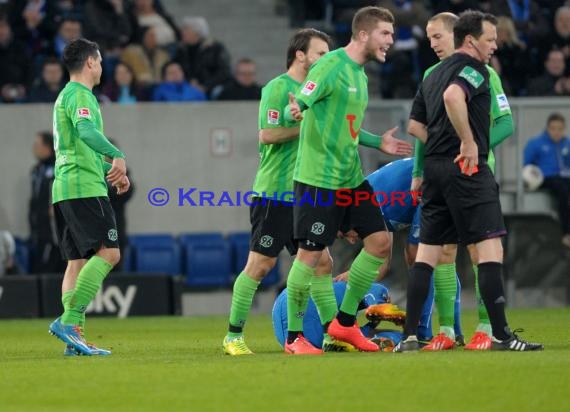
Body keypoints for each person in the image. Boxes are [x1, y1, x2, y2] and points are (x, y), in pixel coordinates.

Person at [398, 10, 542, 352]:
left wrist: (439, 148)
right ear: (471, 39)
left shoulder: (431, 76)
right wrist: (467, 142)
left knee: (428, 255)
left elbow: (415, 127)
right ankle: (501, 335)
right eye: (490, 39)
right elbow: (453, 97)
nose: (495, 45)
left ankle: (409, 336)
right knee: (489, 249)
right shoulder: (476, 70)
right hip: (467, 171)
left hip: (436, 171)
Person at [286, 6, 412, 354]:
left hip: (351, 179)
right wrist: (294, 109)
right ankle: (294, 337)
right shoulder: (330, 65)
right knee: (310, 257)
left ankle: (343, 323)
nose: (391, 40)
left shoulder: (361, 75)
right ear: (363, 34)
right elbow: (301, 101)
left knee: (379, 244)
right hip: (318, 179)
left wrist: (378, 142)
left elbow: (347, 128)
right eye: (385, 33)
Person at [222, 28, 334, 356]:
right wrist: (307, 126)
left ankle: (333, 334)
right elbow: (267, 134)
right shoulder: (277, 88)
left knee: (322, 263)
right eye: (320, 53)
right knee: (260, 265)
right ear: (301, 54)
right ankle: (232, 336)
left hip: (307, 194)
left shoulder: (318, 92)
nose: (325, 60)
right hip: (275, 194)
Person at [48, 37, 130, 357]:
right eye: (100, 60)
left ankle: (74, 340)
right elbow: (85, 131)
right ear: (91, 62)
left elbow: (77, 143)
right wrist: (117, 154)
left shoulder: (63, 97)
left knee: (76, 263)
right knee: (110, 254)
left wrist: (111, 170)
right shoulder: (81, 95)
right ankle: (69, 323)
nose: (101, 66)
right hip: (84, 188)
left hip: (64, 188)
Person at [272, 281, 405, 352]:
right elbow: (375, 289)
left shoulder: (336, 286)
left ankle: (377, 333)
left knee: (350, 332)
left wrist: (373, 324)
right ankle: (380, 306)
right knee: (378, 290)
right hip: (307, 310)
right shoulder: (353, 285)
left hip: (284, 324)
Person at [524, 112, 570, 248]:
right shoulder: (536, 143)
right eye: (553, 128)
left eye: (560, 129)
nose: (557, 132)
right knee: (563, 190)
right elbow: (526, 165)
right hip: (545, 178)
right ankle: (566, 232)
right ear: (548, 128)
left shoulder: (566, 144)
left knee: (564, 187)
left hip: (563, 178)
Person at [29, 131, 65, 274]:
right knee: (39, 268)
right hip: (38, 231)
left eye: (38, 144)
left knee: (53, 272)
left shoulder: (59, 168)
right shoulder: (36, 171)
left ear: (48, 146)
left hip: (53, 234)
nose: (34, 148)